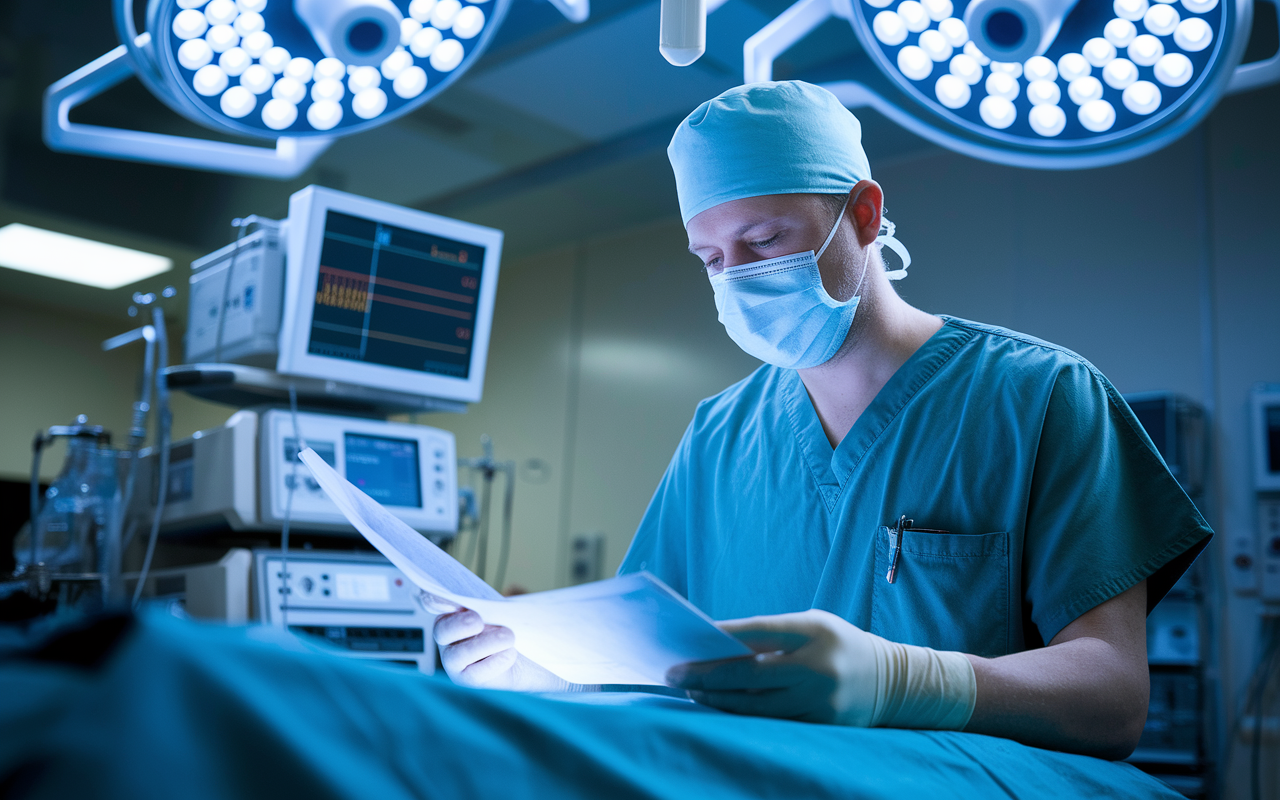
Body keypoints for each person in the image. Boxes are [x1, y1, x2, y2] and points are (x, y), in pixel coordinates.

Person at [433, 80, 1213, 760]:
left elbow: (1113, 697)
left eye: (765, 240)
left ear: (865, 214)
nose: (738, 278)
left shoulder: (1041, 396)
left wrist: (905, 681)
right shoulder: (719, 434)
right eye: (711, 258)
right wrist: (540, 669)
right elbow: (646, 655)